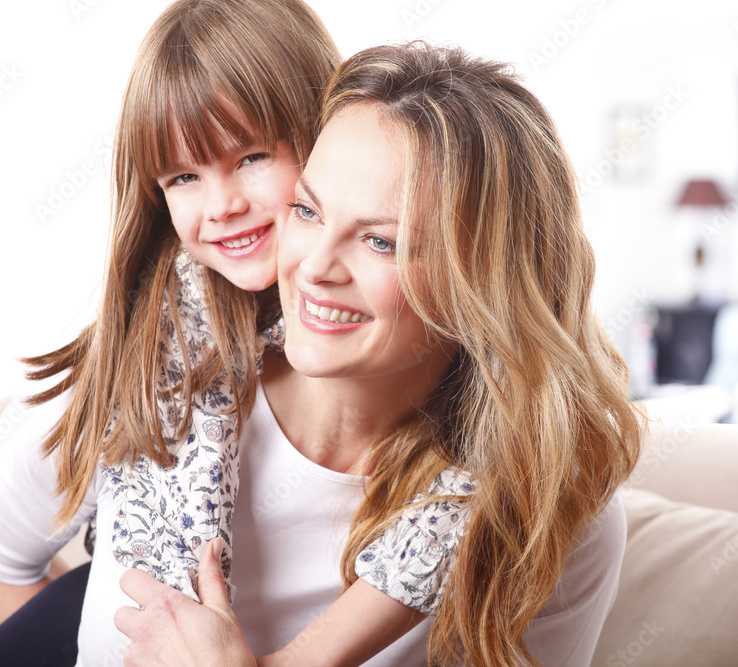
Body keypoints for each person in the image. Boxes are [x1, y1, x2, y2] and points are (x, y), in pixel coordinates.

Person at [0, 2, 472, 666]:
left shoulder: (445, 421)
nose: (222, 206)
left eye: (252, 156)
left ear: (324, 136)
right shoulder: (146, 355)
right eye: (185, 176)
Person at [115, 42, 644, 666]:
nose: (312, 268)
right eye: (307, 211)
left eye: (380, 242)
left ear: (484, 283)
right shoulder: (160, 376)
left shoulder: (547, 516)